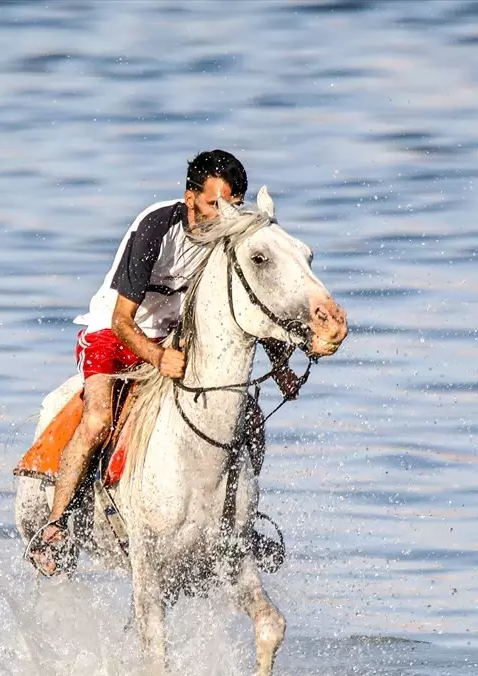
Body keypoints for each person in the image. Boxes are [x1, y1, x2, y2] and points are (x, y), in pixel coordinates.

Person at [26, 150, 301, 577]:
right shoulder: (157, 227)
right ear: (190, 197)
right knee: (98, 419)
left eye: (233, 204)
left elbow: (247, 304)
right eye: (215, 204)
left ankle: (244, 523)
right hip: (114, 331)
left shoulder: (229, 238)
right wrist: (157, 357)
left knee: (249, 416)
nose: (224, 214)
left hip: (172, 334)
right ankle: (57, 524)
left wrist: (280, 363)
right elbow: (121, 319)